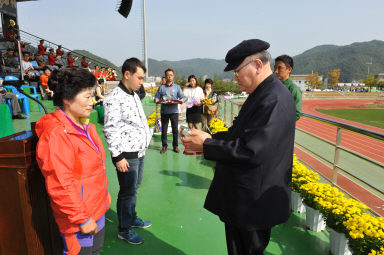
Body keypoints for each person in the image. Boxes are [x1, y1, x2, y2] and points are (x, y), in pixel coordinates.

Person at [181, 39, 296, 255]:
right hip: (245, 198)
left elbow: (251, 150)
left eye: (237, 71)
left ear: (258, 65)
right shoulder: (263, 93)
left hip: (253, 202)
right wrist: (210, 137)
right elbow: (241, 134)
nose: (235, 78)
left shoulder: (274, 98)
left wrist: (206, 145)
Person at [35, 67, 111, 255]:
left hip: (96, 208)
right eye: (86, 97)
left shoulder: (85, 126)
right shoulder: (58, 135)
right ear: (67, 99)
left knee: (95, 251)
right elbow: (61, 184)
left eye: (92, 96)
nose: (91, 102)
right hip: (79, 219)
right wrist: (82, 219)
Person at [103, 58, 152, 245]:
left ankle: (131, 217)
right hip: (127, 156)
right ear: (127, 74)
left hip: (139, 151)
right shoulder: (114, 98)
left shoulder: (133, 94)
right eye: (139, 78)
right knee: (127, 192)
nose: (141, 82)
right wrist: (118, 157)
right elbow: (110, 128)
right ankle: (124, 229)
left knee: (134, 189)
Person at [154, 68, 185, 154]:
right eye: (168, 75)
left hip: (174, 111)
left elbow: (183, 97)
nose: (169, 77)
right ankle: (164, 146)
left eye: (171, 75)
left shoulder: (177, 87)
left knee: (175, 130)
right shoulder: (162, 87)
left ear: (173, 76)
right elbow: (157, 96)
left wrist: (182, 100)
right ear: (165, 76)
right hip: (164, 111)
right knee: (164, 130)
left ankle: (175, 146)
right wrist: (156, 99)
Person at [274, 55, 302, 120]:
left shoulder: (294, 89)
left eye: (279, 68)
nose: (275, 71)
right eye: (275, 67)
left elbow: (296, 114)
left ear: (289, 69)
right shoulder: (273, 85)